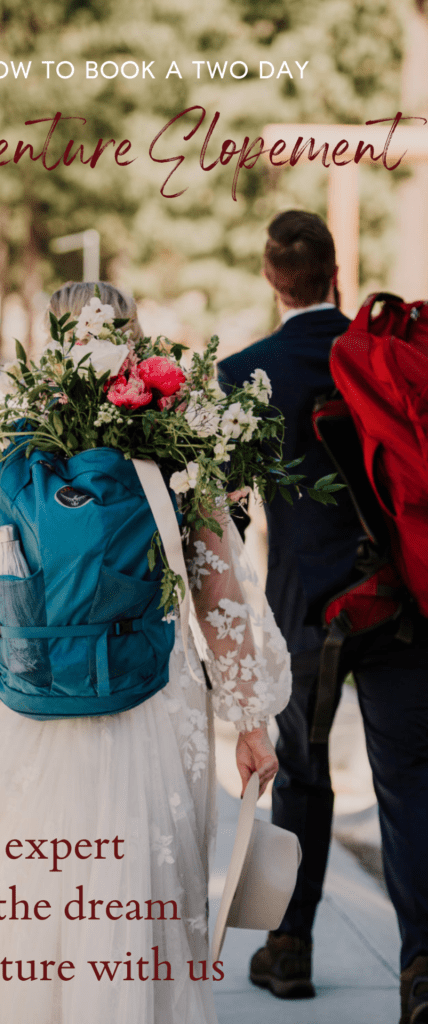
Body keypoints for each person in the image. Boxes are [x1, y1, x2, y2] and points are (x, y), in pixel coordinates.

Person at [0, 281, 291, 1024]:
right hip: (153, 700)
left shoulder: (8, 439)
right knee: (141, 896)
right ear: (136, 341)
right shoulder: (177, 436)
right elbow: (218, 595)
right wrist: (250, 720)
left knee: (41, 904)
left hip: (34, 706)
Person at [218, 210, 428, 1024]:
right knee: (409, 782)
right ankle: (419, 970)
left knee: (299, 779)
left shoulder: (250, 373)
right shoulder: (389, 356)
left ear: (273, 280)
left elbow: (224, 511)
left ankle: (290, 947)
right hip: (403, 601)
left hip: (305, 609)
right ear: (336, 273)